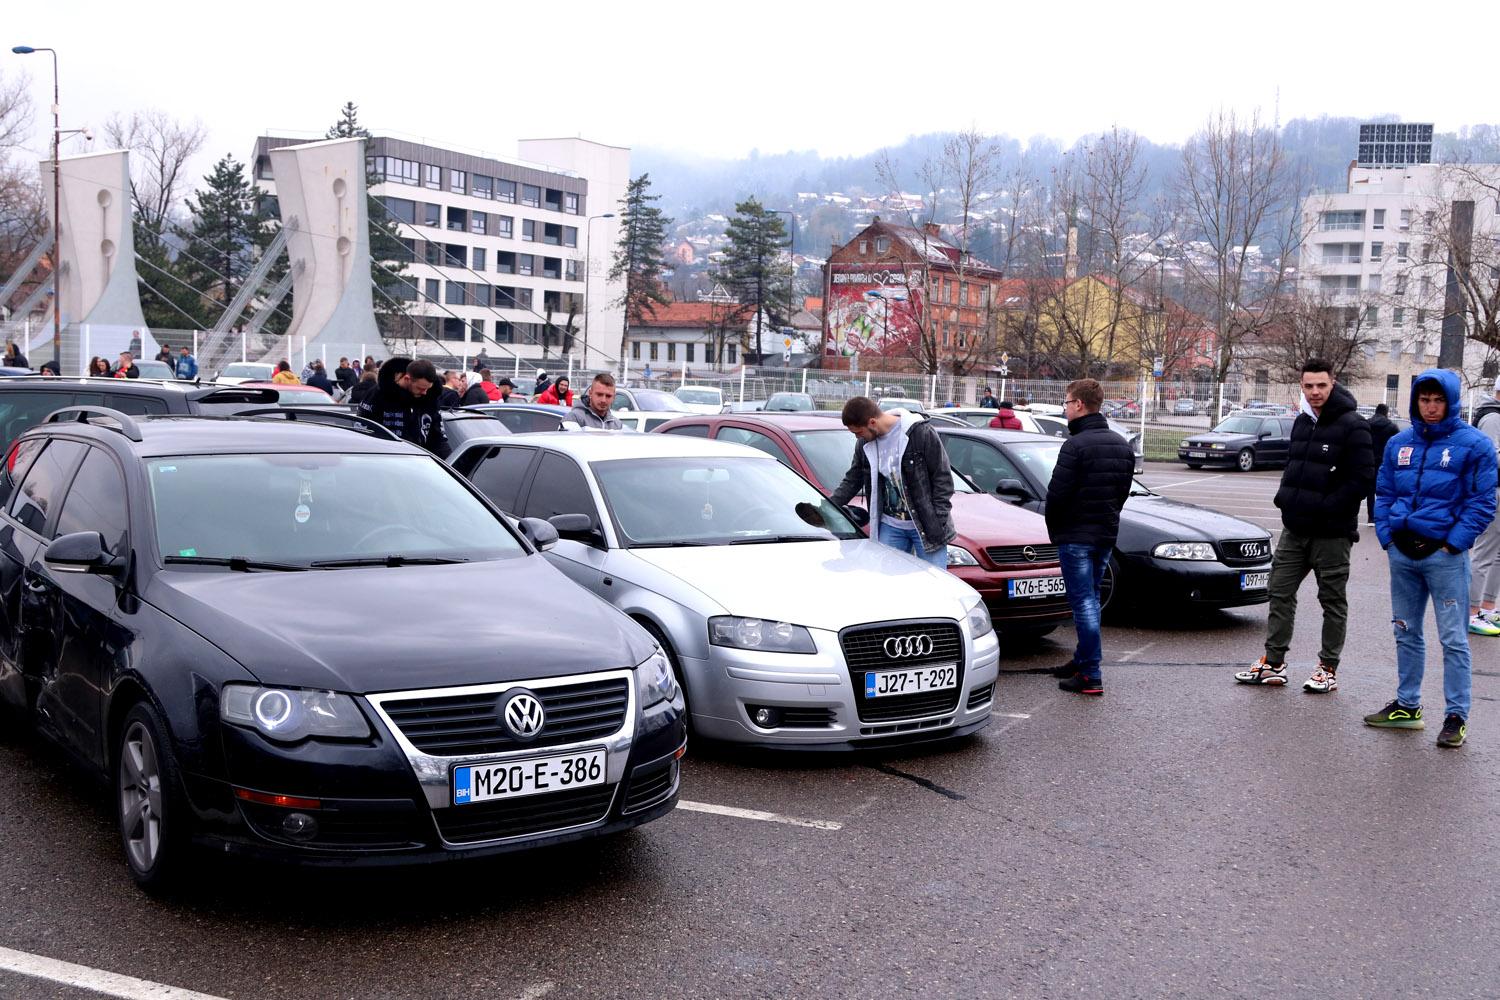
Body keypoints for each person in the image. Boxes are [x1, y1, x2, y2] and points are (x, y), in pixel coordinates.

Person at [1365, 368, 1498, 748]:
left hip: (1445, 557)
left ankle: (1456, 716)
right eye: (1424, 400)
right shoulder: (1399, 443)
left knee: (1454, 638)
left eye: (1438, 400)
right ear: (1415, 401)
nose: (1431, 407)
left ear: (1451, 401)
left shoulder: (1475, 444)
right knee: (1405, 631)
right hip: (1402, 555)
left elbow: (1482, 502)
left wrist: (1453, 544)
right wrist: (1388, 537)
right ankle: (1407, 707)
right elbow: (1385, 490)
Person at [1234, 358, 1373, 694]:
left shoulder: (1354, 425)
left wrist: (1326, 507)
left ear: (1333, 382)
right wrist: (1285, 499)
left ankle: (1327, 668)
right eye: (1308, 386)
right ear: (1301, 385)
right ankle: (1273, 663)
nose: (1314, 392)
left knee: (1332, 601)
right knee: (1279, 592)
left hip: (1332, 534)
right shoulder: (1301, 422)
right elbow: (1293, 467)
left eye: (1321, 385)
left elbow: (1363, 478)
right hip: (1295, 530)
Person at [1044, 379, 1134, 696]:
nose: (1065, 408)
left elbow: (1056, 496)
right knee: (1092, 599)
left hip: (1076, 536)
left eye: (1067, 402)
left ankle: (1091, 673)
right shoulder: (1122, 445)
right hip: (1105, 534)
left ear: (1080, 405)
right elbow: (1122, 494)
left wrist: (1056, 529)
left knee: (1083, 603)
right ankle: (1082, 660)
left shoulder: (1075, 446)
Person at [828, 396, 955, 569]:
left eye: (858, 432)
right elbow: (853, 479)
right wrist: (826, 508)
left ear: (872, 422)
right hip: (890, 526)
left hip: (927, 525)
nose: (857, 438)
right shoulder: (865, 445)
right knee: (888, 583)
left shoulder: (919, 433)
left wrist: (938, 518)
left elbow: (942, 478)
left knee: (936, 582)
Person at [357, 357, 450, 457]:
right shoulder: (377, 395)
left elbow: (438, 438)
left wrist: (450, 462)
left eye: (428, 388)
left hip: (421, 464)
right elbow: (362, 434)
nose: (425, 393)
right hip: (383, 461)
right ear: (407, 379)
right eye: (421, 388)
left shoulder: (430, 399)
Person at [1467, 381, 1500, 637]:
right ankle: (1472, 612)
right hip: (1493, 491)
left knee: (1494, 554)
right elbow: (1491, 456)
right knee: (1484, 553)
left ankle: (1487, 607)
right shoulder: (1492, 417)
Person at [1366, 402, 1400, 525]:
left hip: (1369, 460)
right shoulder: (1392, 427)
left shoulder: (1367, 424)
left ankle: (1371, 518)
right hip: (1385, 461)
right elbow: (1396, 445)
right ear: (1386, 413)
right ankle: (1384, 517)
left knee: (1370, 490)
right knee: (1385, 490)